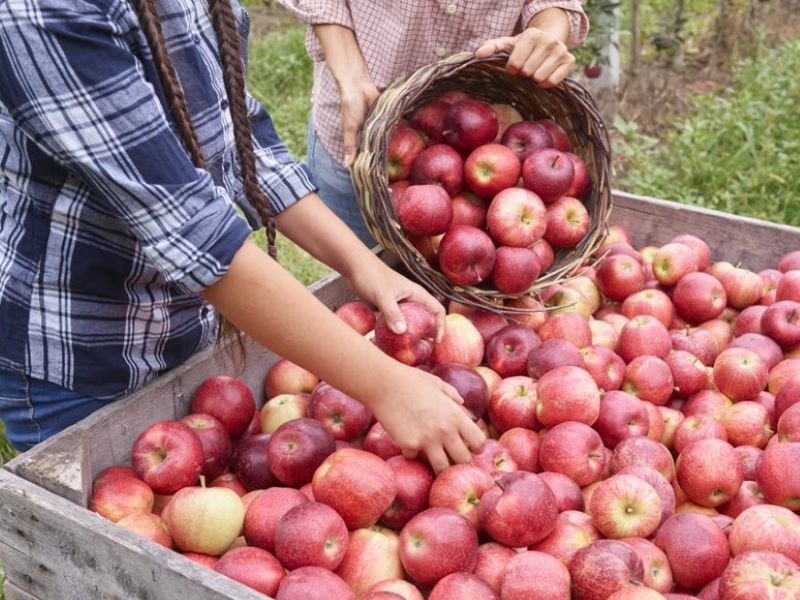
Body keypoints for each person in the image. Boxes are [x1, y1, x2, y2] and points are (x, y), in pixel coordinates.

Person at [0, 0, 485, 472]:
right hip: (78, 352)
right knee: (86, 546)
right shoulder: (42, 11)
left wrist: (366, 268)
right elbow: (193, 232)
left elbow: (239, 141)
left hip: (183, 318)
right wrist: (386, 387)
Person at [279, 1, 590, 246]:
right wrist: (348, 71)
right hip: (360, 130)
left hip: (488, 136)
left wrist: (547, 30)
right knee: (352, 296)